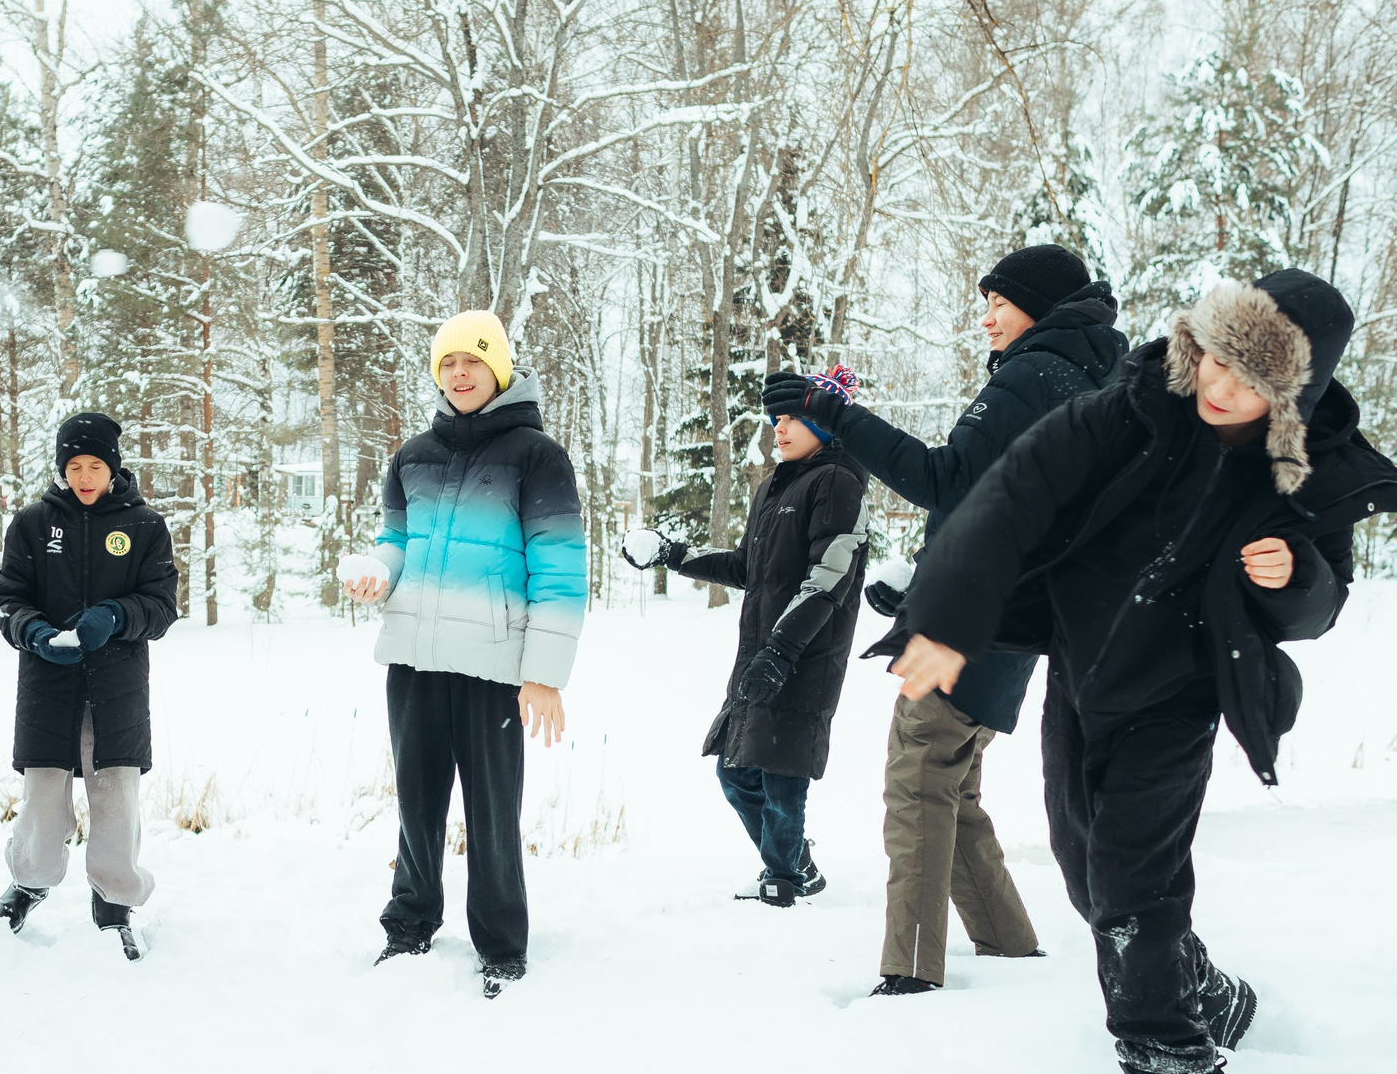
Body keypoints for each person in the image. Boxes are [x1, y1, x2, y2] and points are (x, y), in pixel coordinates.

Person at [887, 270, 1397, 1074]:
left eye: (1249, 381)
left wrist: (1295, 576)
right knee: (1086, 871)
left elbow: (1323, 605)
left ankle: (1174, 1070)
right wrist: (949, 615)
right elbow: (1014, 492)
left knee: (1136, 884)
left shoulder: (1305, 468)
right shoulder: (1131, 405)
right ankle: (1206, 989)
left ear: (1288, 398)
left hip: (1181, 690)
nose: (1218, 386)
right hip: (1084, 668)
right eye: (1215, 359)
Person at [762, 244, 1128, 994]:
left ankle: (911, 974)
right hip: (1017, 619)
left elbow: (944, 479)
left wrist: (832, 411)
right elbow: (1009, 508)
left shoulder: (1034, 374)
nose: (987, 319)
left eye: (999, 302)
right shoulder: (1091, 374)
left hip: (984, 623)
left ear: (1039, 306)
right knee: (954, 790)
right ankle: (1007, 947)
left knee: (919, 781)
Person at [342, 311, 586, 997]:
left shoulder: (537, 456)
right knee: (416, 803)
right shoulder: (412, 456)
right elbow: (398, 541)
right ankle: (410, 923)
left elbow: (561, 568)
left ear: (499, 368)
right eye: (448, 362)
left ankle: (502, 946)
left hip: (493, 668)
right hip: (415, 660)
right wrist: (378, 572)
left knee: (491, 809)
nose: (459, 372)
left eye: (473, 360)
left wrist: (543, 674)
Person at [625, 366, 870, 908]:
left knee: (782, 777)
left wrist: (782, 652)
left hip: (805, 655)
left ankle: (784, 883)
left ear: (827, 424)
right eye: (777, 419)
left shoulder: (840, 483)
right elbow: (747, 567)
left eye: (795, 419)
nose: (779, 429)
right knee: (734, 772)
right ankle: (795, 865)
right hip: (761, 654)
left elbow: (828, 579)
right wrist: (674, 554)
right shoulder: (775, 488)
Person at [0, 412, 179, 959]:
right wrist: (34, 630)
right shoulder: (31, 523)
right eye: (74, 465)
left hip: (117, 689)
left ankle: (115, 903)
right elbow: (6, 599)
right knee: (43, 796)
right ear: (61, 468)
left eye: (95, 465)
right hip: (49, 684)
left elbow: (162, 607)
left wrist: (117, 615)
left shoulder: (145, 527)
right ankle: (29, 883)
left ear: (113, 467)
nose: (85, 476)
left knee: (116, 797)